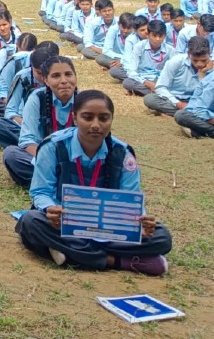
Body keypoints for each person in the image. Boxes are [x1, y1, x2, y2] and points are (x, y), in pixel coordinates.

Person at [17, 90, 169, 276]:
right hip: (65, 223)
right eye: (87, 117)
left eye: (103, 118)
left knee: (162, 237)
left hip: (110, 227)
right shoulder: (54, 147)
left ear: (111, 119)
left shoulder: (122, 153)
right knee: (30, 222)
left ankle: (71, 253)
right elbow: (40, 191)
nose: (96, 125)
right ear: (75, 118)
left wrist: (141, 222)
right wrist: (50, 209)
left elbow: (131, 198)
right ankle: (117, 261)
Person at [4, 55, 81, 188]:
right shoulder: (37, 98)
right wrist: (50, 160)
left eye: (68, 74)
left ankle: (52, 182)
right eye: (56, 76)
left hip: (76, 161)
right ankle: (64, 182)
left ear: (75, 77)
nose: (64, 81)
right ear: (46, 80)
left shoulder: (84, 101)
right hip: (44, 158)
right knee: (11, 155)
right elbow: (27, 140)